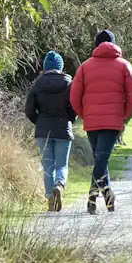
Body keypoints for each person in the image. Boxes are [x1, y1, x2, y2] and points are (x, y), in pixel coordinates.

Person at [69, 29, 132, 214]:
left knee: (100, 159)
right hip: (112, 121)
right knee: (101, 159)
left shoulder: (85, 67)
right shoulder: (124, 66)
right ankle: (106, 193)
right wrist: (123, 115)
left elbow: (74, 96)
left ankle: (94, 197)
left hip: (92, 121)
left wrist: (85, 114)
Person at [24, 50, 76, 212]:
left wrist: (38, 122)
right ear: (60, 67)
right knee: (62, 165)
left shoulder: (37, 84)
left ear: (45, 67)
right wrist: (70, 119)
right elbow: (74, 105)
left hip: (43, 130)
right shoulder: (69, 83)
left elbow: (29, 110)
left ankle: (49, 199)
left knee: (48, 166)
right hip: (63, 128)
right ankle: (59, 185)